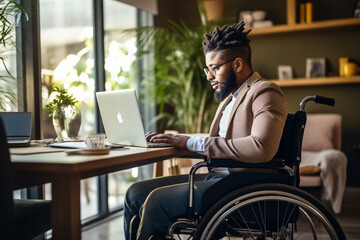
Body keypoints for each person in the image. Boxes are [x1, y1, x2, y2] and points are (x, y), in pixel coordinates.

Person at [124, 22, 288, 240]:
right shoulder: (229, 98)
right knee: (134, 194)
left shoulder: (265, 92)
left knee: (156, 200)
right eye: (207, 69)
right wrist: (173, 142)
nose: (209, 76)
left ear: (238, 64)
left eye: (215, 68)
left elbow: (261, 147)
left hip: (242, 186)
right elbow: (220, 143)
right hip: (214, 179)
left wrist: (190, 142)